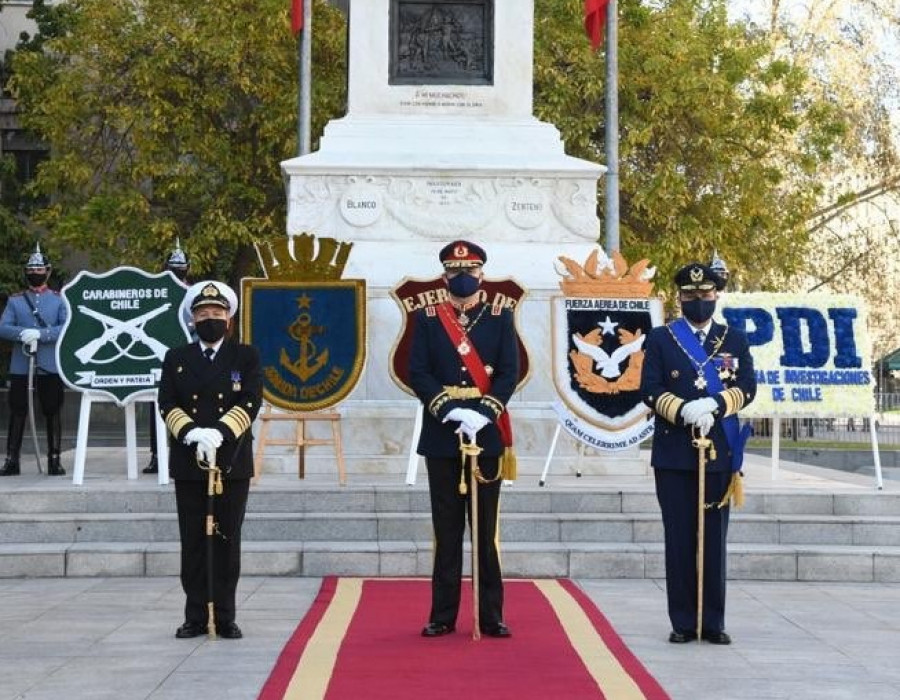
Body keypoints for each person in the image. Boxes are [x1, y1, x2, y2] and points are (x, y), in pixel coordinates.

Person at [640, 262, 756, 645]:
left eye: (705, 295)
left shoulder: (733, 339)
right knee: (679, 537)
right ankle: (684, 622)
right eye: (690, 296)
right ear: (680, 298)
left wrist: (715, 406)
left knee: (714, 540)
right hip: (674, 451)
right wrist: (683, 409)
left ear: (716, 295)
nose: (698, 302)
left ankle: (713, 621)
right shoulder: (660, 339)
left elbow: (747, 387)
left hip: (719, 451)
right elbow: (650, 389)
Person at [408, 239, 518, 639]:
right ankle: (442, 615)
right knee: (447, 528)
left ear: (481, 274)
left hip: (485, 434)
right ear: (444, 276)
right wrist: (449, 409)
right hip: (443, 433)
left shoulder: (499, 318)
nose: (463, 277)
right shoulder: (427, 319)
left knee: (485, 531)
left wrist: (483, 412)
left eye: (470, 271)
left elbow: (509, 373)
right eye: (455, 272)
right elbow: (416, 370)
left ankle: (491, 615)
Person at [157, 280, 262, 639]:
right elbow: (167, 403)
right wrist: (191, 433)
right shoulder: (177, 358)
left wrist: (219, 431)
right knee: (194, 541)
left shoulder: (245, 356)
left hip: (230, 460)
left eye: (217, 314)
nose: (210, 319)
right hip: (190, 461)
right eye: (203, 314)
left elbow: (250, 400)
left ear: (229, 320)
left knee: (226, 540)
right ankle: (196, 616)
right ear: (192, 320)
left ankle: (227, 616)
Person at [0, 243, 67, 476]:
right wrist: (22, 334)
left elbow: (65, 328)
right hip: (21, 365)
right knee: (18, 411)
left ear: (47, 272)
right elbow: (3, 327)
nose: (35, 274)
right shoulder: (16, 300)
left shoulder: (59, 300)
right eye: (31, 270)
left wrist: (42, 334)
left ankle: (55, 459)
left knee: (52, 411)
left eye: (39, 271)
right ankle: (11, 459)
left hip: (49, 365)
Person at [144, 240, 191, 475]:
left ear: (188, 268)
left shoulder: (193, 294)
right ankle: (156, 455)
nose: (177, 270)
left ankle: (184, 451)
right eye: (173, 266)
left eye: (181, 266)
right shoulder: (156, 296)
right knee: (158, 407)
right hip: (162, 358)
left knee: (188, 407)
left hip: (189, 358)